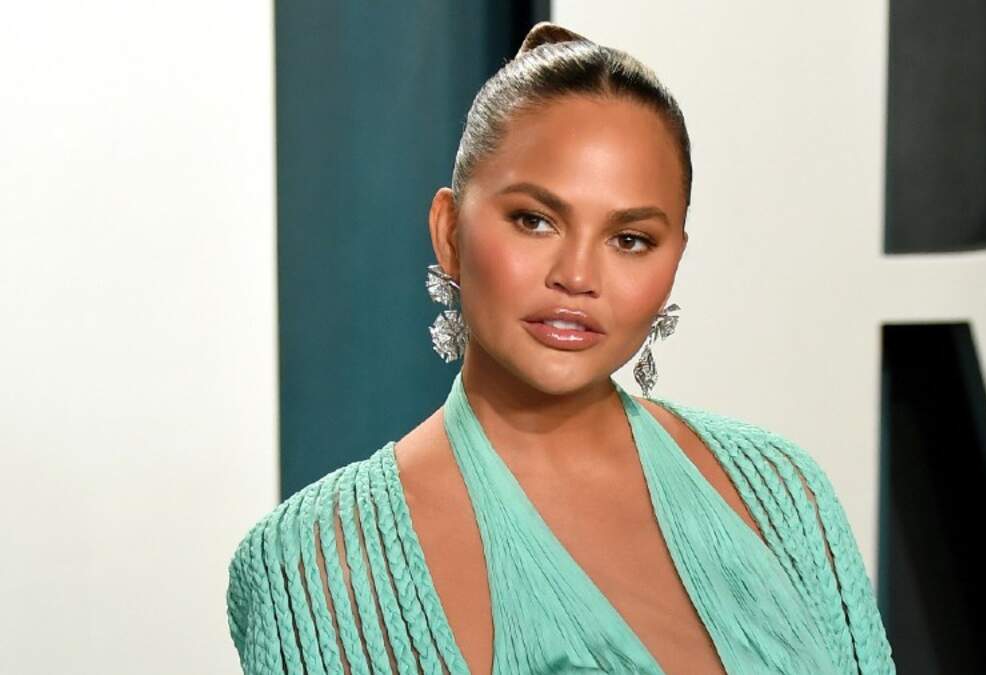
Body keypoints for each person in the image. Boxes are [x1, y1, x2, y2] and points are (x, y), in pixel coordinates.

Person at [226, 21, 895, 675]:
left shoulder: (780, 492)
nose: (577, 276)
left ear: (674, 261)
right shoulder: (313, 563)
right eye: (535, 220)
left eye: (629, 239)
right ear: (450, 232)